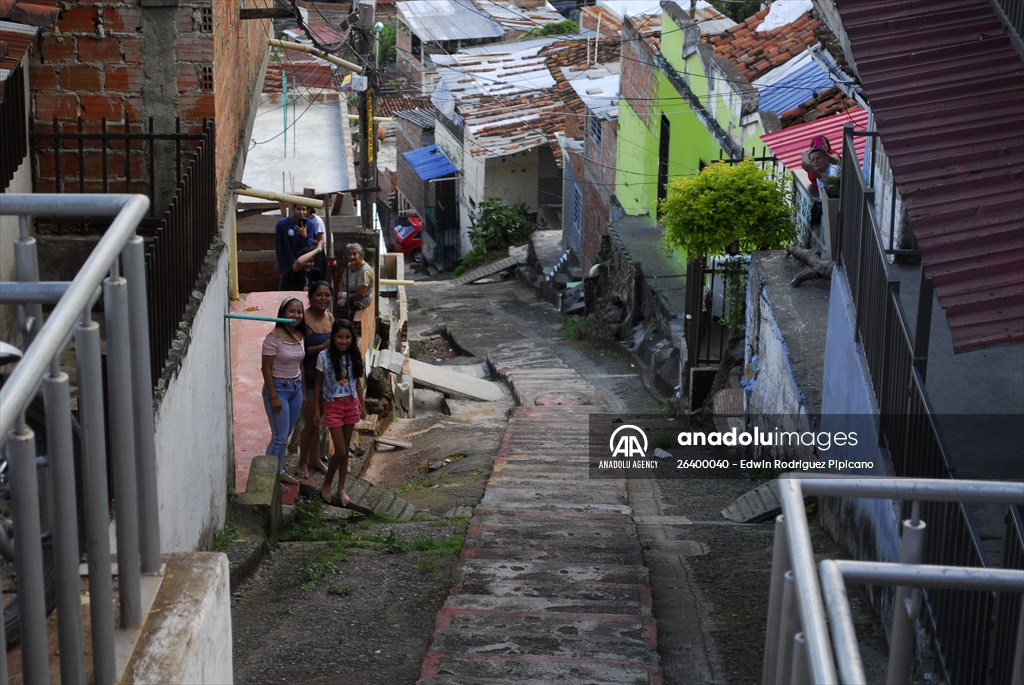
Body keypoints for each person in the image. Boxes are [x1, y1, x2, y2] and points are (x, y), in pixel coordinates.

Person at [314, 319, 367, 508]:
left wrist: (362, 405)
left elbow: (357, 381)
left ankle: (341, 489)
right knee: (341, 450)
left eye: (347, 337)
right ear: (333, 337)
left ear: (351, 338)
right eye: (340, 337)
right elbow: (319, 384)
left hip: (351, 404)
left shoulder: (353, 355)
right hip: (333, 406)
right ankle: (327, 483)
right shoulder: (324, 356)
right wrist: (317, 410)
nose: (343, 341)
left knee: (344, 453)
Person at [261, 297, 307, 486]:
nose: (295, 315)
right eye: (291, 311)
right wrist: (273, 396)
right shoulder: (273, 338)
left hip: (296, 389)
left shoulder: (299, 335)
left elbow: (300, 364)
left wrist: (302, 390)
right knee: (279, 437)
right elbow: (265, 369)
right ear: (282, 314)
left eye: (299, 312)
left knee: (285, 434)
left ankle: (279, 471)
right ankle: (267, 479)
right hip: (278, 389)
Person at [295, 280, 334, 480]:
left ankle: (315, 459)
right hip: (306, 378)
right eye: (319, 294)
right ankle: (302, 461)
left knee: (318, 423)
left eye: (327, 295)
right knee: (310, 423)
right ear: (310, 297)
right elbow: (297, 351)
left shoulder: (330, 317)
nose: (323, 299)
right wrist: (323, 346)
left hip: (324, 379)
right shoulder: (303, 320)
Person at [336, 242, 374, 321]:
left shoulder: (364, 271)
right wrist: (340, 294)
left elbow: (361, 294)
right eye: (349, 254)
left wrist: (344, 296)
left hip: (360, 301)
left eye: (354, 254)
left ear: (361, 255)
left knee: (342, 309)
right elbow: (342, 282)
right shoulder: (350, 266)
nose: (351, 257)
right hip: (348, 295)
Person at [275, 205, 308, 290]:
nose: (301, 212)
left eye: (304, 209)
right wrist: (282, 268)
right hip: (287, 266)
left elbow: (308, 248)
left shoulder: (309, 224)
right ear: (293, 209)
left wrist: (305, 236)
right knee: (285, 291)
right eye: (298, 209)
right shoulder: (282, 224)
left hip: (303, 267)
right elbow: (279, 248)